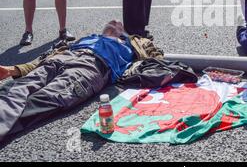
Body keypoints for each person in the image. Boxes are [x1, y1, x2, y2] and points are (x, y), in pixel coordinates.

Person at [0, 20, 164, 142]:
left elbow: (156, 57)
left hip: (92, 66)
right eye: (111, 22)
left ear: (124, 32)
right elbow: (43, 58)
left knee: (44, 99)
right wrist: (13, 70)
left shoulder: (134, 43)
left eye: (118, 24)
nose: (115, 22)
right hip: (62, 58)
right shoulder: (87, 38)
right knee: (17, 89)